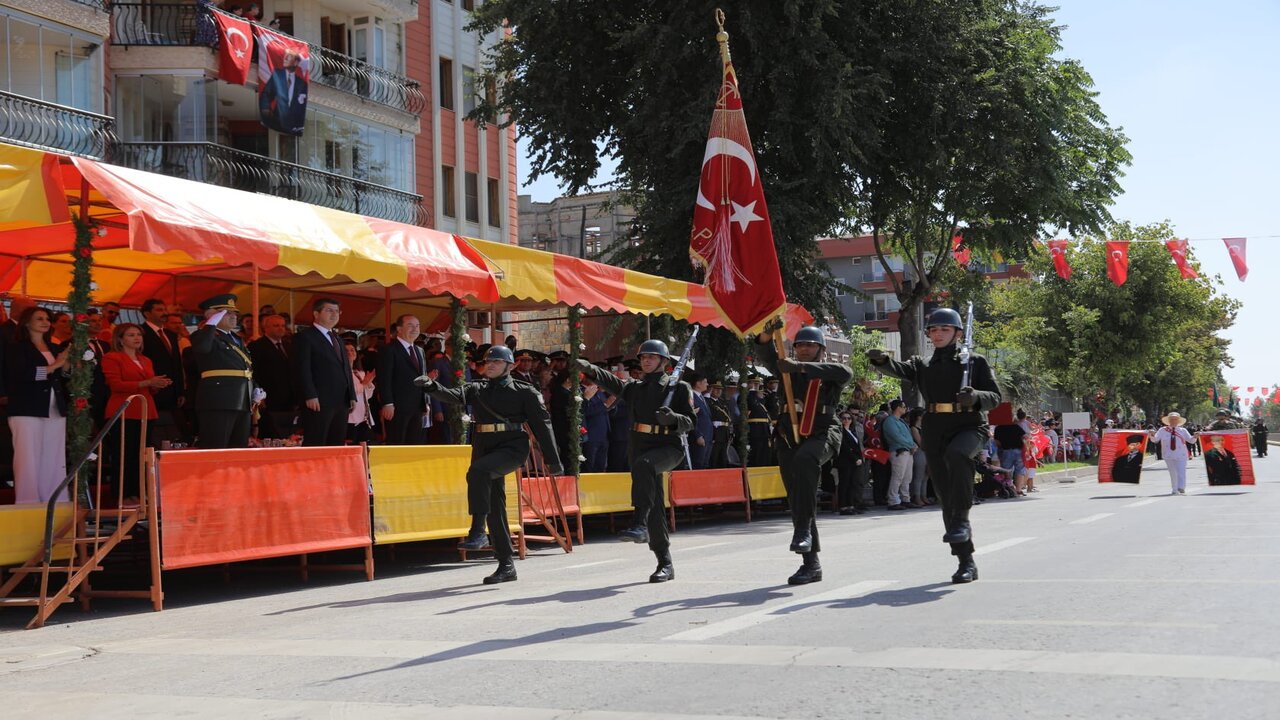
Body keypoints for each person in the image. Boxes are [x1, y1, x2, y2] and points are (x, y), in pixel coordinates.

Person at [867, 307, 1003, 584]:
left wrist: (975, 396)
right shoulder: (922, 364)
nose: (938, 334)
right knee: (944, 495)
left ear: (956, 333)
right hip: (935, 427)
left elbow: (996, 397)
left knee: (959, 454)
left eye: (944, 329)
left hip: (968, 424)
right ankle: (965, 560)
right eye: (933, 330)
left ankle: (962, 520)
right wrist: (881, 360)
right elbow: (899, 369)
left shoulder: (974, 362)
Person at [416, 345, 562, 584]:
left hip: (512, 446)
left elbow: (542, 425)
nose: (490, 365)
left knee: (478, 471)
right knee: (494, 505)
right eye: (487, 362)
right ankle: (506, 565)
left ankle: (476, 531)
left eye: (496, 362)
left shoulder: (524, 391)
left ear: (509, 366)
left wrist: (552, 460)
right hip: (484, 445)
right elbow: (453, 395)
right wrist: (431, 386)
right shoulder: (477, 388)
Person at [576, 339, 694, 583]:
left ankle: (638, 523)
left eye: (651, 357)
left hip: (668, 447)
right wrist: (589, 368)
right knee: (655, 508)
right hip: (640, 446)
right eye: (643, 357)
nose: (646, 361)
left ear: (663, 361)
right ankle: (665, 562)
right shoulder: (635, 388)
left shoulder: (679, 388)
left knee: (646, 466)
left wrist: (673, 418)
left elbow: (689, 422)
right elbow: (612, 382)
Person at [755, 323, 853, 585]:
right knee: (797, 494)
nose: (804, 349)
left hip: (822, 432)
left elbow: (846, 372)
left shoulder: (828, 372)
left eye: (810, 345)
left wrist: (799, 367)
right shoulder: (785, 368)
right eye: (799, 345)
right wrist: (767, 332)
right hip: (789, 434)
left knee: (806, 460)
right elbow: (764, 350)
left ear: (821, 349)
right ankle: (811, 564)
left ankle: (801, 530)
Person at [5, 307, 70, 503]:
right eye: (39, 318)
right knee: (27, 457)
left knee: (54, 457)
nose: (45, 322)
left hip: (54, 406)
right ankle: (27, 502)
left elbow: (61, 377)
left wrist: (66, 366)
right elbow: (21, 375)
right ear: (27, 322)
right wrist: (54, 367)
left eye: (47, 319)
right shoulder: (16, 347)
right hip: (26, 407)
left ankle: (55, 500)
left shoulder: (54, 347)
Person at [102, 324, 171, 503]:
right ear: (120, 339)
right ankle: (122, 494)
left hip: (146, 410)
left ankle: (139, 491)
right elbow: (115, 385)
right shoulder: (112, 357)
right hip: (124, 409)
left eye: (138, 334)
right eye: (131, 335)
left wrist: (157, 384)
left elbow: (148, 385)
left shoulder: (146, 359)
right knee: (124, 454)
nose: (136, 338)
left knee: (142, 454)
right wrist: (147, 382)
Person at [190, 295, 259, 449]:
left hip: (242, 400)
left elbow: (243, 368)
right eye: (226, 312)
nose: (234, 316)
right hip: (218, 400)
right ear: (210, 315)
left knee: (238, 447)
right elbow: (202, 348)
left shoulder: (236, 338)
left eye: (234, 313)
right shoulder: (204, 335)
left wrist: (255, 387)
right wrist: (211, 324)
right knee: (216, 446)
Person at [293, 298, 355, 446]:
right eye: (329, 310)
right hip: (319, 400)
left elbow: (346, 368)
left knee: (337, 441)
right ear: (316, 313)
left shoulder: (337, 338)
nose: (334, 314)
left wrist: (351, 395)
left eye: (337, 311)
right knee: (317, 440)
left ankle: (333, 469)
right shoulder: (305, 337)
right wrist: (310, 394)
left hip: (341, 400)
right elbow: (302, 369)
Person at [378, 314, 429, 445]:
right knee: (397, 442)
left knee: (414, 443)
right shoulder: (389, 349)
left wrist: (425, 402)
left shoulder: (419, 351)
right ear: (399, 329)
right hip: (397, 407)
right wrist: (387, 403)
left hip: (417, 407)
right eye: (410, 325)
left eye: (417, 326)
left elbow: (423, 378)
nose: (415, 329)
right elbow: (384, 378)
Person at [139, 298, 185, 443]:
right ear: (147, 313)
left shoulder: (170, 334)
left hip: (171, 391)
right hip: (152, 389)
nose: (164, 313)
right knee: (152, 432)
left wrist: (180, 390)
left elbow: (177, 364)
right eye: (159, 310)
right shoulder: (141, 333)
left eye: (164, 309)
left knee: (171, 431)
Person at [247, 314, 296, 439]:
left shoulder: (289, 346)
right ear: (266, 328)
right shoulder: (256, 346)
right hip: (268, 398)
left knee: (288, 434)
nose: (281, 328)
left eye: (283, 326)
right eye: (276, 326)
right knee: (270, 432)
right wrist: (258, 395)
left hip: (289, 398)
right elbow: (253, 373)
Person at [258, 48, 308, 135]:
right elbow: (266, 93)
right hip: (277, 118)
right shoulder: (277, 74)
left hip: (293, 124)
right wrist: (265, 108)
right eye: (285, 57)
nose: (284, 59)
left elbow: (301, 105)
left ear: (296, 62)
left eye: (288, 57)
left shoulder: (301, 83)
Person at [881, 399, 915, 511]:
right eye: (904, 407)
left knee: (907, 477)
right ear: (898, 408)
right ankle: (893, 501)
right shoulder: (889, 421)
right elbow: (896, 436)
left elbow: (908, 436)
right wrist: (911, 445)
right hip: (898, 451)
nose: (905, 409)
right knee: (897, 476)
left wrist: (913, 445)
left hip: (908, 451)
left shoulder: (901, 421)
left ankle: (905, 499)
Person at [1153, 412, 1195, 495]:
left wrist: (1195, 436)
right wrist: (1151, 435)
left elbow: (1191, 440)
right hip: (1168, 454)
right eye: (1171, 419)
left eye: (1175, 419)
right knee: (1173, 473)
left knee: (1181, 471)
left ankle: (1181, 487)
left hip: (1181, 454)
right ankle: (1174, 489)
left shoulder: (1183, 430)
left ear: (1178, 420)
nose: (1173, 421)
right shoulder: (1162, 430)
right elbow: (1155, 439)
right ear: (1168, 420)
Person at [346, 340, 375, 444]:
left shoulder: (359, 372)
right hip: (350, 416)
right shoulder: (341, 373)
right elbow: (349, 392)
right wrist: (364, 384)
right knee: (350, 446)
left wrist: (369, 384)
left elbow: (367, 396)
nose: (350, 352)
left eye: (352, 350)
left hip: (363, 415)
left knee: (364, 444)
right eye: (346, 350)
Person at [835, 411, 865, 514]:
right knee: (844, 484)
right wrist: (855, 458)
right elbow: (845, 447)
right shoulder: (840, 431)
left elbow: (857, 447)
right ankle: (843, 507)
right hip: (845, 461)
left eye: (849, 418)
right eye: (844, 418)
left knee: (853, 483)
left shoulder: (852, 431)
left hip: (855, 462)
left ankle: (851, 505)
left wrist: (860, 458)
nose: (846, 420)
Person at [581, 375, 611, 473]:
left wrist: (611, 404)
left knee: (601, 466)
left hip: (603, 434)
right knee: (590, 466)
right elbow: (586, 411)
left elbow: (606, 410)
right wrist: (605, 404)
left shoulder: (599, 392)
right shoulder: (581, 391)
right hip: (591, 435)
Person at [686, 371, 713, 470]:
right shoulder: (691, 397)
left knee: (705, 464)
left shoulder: (702, 397)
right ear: (698, 383)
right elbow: (691, 418)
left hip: (707, 436)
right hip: (699, 437)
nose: (707, 384)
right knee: (698, 464)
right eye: (705, 382)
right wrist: (698, 435)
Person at [907, 407, 931, 507]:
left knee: (926, 476)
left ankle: (923, 496)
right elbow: (921, 442)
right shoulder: (913, 428)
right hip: (920, 453)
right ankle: (916, 496)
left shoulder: (923, 428)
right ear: (919, 417)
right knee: (919, 475)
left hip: (926, 453)